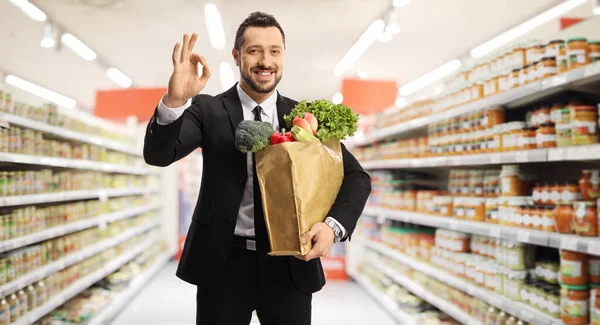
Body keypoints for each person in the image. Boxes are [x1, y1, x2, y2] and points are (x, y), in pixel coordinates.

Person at [143, 11, 371, 325]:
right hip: (223, 263)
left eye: (274, 51)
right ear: (237, 56)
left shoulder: (305, 116)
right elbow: (159, 154)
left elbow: (356, 177)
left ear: (283, 56)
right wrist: (174, 100)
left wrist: (332, 227)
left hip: (291, 263)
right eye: (254, 51)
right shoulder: (208, 109)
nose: (266, 61)